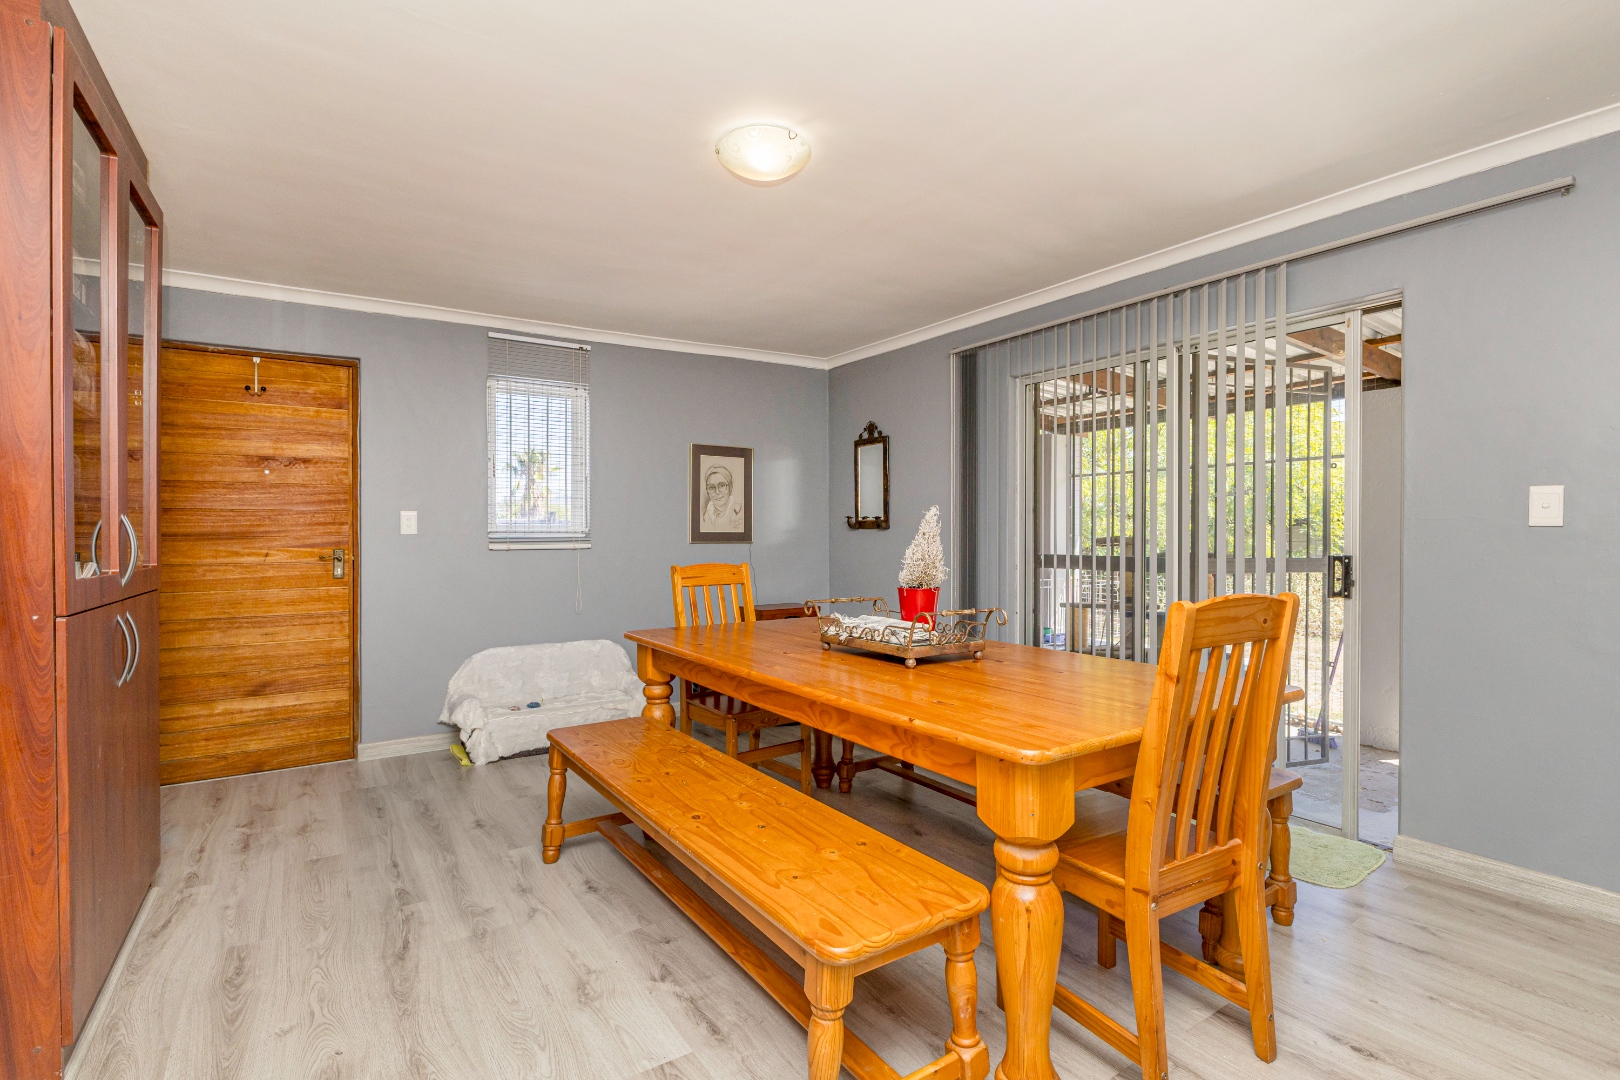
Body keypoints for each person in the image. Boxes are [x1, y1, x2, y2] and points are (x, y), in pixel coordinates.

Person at [701, 463, 745, 532]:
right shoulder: (706, 517)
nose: (717, 492)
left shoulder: (740, 511)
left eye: (722, 485)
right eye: (711, 487)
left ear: (730, 487)